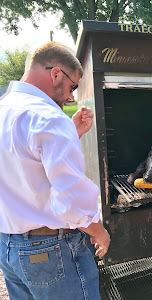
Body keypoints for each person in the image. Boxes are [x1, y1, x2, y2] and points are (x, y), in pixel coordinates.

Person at [0, 41, 110, 300]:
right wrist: (99, 231)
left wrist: (70, 134)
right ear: (56, 73)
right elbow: (71, 200)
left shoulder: (5, 108)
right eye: (73, 86)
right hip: (50, 250)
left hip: (7, 245)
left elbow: (22, 160)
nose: (72, 96)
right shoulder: (48, 118)